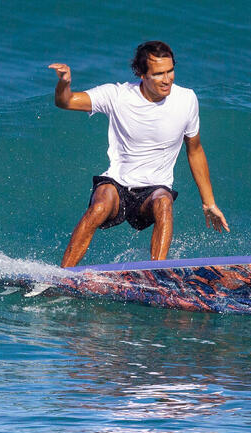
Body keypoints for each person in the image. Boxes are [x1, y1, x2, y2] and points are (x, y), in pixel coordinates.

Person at [49, 41, 229, 267]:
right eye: (158, 74)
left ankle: (155, 273)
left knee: (164, 202)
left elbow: (195, 150)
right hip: (117, 183)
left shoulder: (186, 100)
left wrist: (209, 203)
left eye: (170, 71)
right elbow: (65, 102)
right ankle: (64, 274)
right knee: (100, 206)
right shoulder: (117, 96)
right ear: (141, 74)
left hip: (154, 190)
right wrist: (64, 84)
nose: (167, 79)